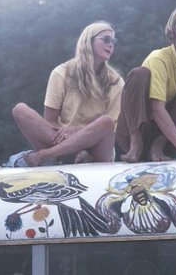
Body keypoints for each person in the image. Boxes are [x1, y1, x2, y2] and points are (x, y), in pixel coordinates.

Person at [11, 21, 123, 166]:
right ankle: (70, 154)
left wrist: (77, 131)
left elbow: (112, 127)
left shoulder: (116, 81)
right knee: (20, 110)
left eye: (113, 41)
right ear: (88, 41)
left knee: (106, 122)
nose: (111, 45)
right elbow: (50, 121)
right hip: (62, 140)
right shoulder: (61, 72)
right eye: (106, 39)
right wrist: (69, 138)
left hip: (97, 147)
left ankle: (46, 155)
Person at [116, 2, 176, 162]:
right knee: (139, 74)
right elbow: (157, 109)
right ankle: (136, 142)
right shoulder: (158, 59)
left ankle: (158, 146)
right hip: (135, 129)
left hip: (162, 135)